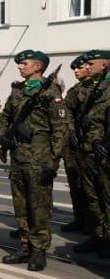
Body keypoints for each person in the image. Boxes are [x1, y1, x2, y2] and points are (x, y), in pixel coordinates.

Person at [0, 50, 68, 271]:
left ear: (38, 67)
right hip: (18, 156)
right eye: (19, 64)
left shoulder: (50, 93)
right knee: (21, 204)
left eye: (24, 63)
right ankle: (25, 245)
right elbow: (6, 116)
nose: (20, 66)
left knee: (39, 206)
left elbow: (61, 129)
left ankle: (39, 250)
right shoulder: (17, 92)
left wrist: (53, 161)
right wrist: (1, 134)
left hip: (39, 157)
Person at [72, 50, 110, 263]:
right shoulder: (93, 87)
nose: (86, 66)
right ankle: (99, 235)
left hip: (103, 151)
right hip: (88, 150)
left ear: (104, 65)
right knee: (92, 197)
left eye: (90, 63)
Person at [61, 55, 93, 234]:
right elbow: (66, 114)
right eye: (74, 68)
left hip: (91, 143)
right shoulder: (75, 90)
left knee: (91, 185)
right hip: (74, 144)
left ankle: (93, 223)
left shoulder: (99, 88)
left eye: (79, 67)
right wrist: (71, 131)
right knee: (75, 182)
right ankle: (79, 218)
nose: (76, 71)